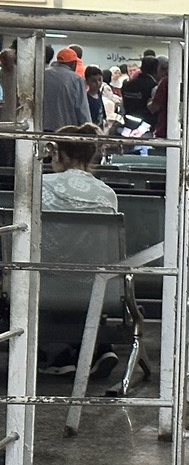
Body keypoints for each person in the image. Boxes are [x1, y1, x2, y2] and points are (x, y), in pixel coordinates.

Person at [37, 124, 120, 378]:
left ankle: (57, 353)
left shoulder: (40, 186)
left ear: (58, 154)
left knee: (48, 273)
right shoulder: (107, 194)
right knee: (83, 275)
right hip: (96, 289)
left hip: (45, 285)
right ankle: (96, 347)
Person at [42, 46, 92, 132]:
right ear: (73, 63)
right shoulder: (76, 79)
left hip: (43, 128)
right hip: (66, 131)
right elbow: (82, 109)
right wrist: (89, 130)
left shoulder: (43, 74)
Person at [119, 55, 158, 131]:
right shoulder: (153, 87)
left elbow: (123, 105)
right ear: (156, 70)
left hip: (128, 125)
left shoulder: (127, 84)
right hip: (146, 128)